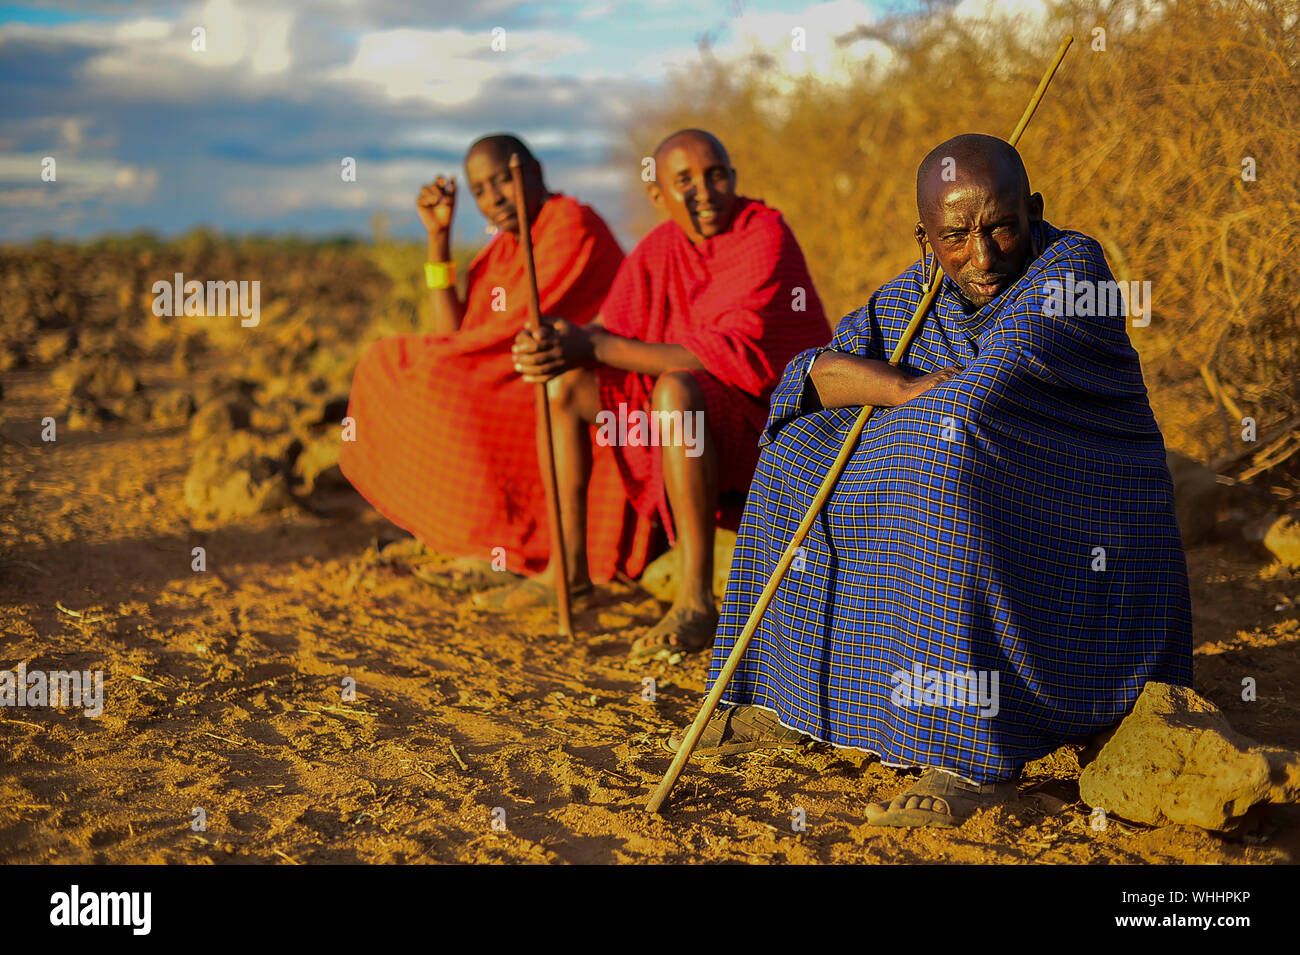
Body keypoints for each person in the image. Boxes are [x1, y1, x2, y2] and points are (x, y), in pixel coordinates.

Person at [674, 133, 1193, 827]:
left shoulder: (1074, 270)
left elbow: (979, 404)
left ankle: (969, 756)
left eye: (1002, 225)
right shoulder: (920, 292)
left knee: (947, 454)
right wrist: (896, 384)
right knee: (796, 451)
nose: (982, 256)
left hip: (1079, 529)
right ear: (926, 237)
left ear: (1033, 211)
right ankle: (788, 701)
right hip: (956, 451)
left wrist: (905, 404)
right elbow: (806, 375)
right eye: (956, 236)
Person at [482, 129, 831, 660]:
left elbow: (717, 356)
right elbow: (614, 330)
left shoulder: (764, 234)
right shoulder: (659, 248)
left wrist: (593, 343)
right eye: (684, 181)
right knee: (564, 386)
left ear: (734, 178)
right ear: (658, 195)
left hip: (770, 422)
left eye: (716, 175)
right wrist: (556, 345)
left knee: (673, 388)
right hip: (684, 417)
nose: (705, 192)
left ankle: (696, 600)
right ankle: (569, 569)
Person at [340, 134, 649, 583]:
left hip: (573, 378)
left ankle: (507, 547)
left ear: (536, 172)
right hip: (507, 371)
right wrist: (438, 240)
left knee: (437, 379)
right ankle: (478, 541)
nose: (494, 197)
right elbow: (456, 335)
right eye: (480, 189)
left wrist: (443, 364)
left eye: (504, 179)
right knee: (388, 363)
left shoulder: (571, 222)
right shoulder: (503, 247)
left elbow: (518, 336)